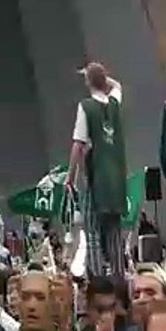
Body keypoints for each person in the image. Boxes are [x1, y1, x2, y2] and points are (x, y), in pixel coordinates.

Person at [64, 62, 127, 278]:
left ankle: (98, 281)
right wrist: (102, 77)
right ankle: (119, 280)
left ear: (87, 82)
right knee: (114, 234)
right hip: (117, 180)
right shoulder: (115, 103)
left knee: (91, 232)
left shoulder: (86, 107)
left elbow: (78, 144)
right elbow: (117, 85)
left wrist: (69, 177)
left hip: (96, 177)